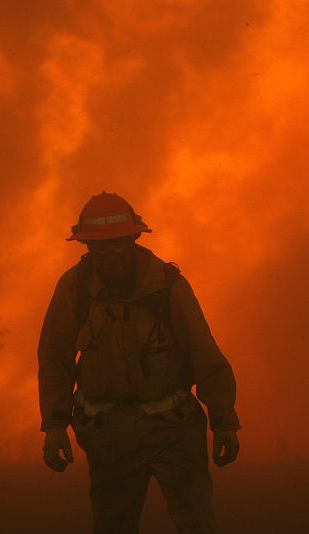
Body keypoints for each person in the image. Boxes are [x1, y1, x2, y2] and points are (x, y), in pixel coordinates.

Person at [38, 191, 241, 533]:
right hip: (110, 434)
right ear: (85, 246)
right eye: (98, 246)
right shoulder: (75, 289)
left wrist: (224, 422)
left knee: (196, 523)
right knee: (112, 525)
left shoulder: (167, 285)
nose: (109, 253)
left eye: (117, 243)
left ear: (133, 237)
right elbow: (55, 359)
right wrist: (54, 426)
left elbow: (204, 354)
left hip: (173, 428)